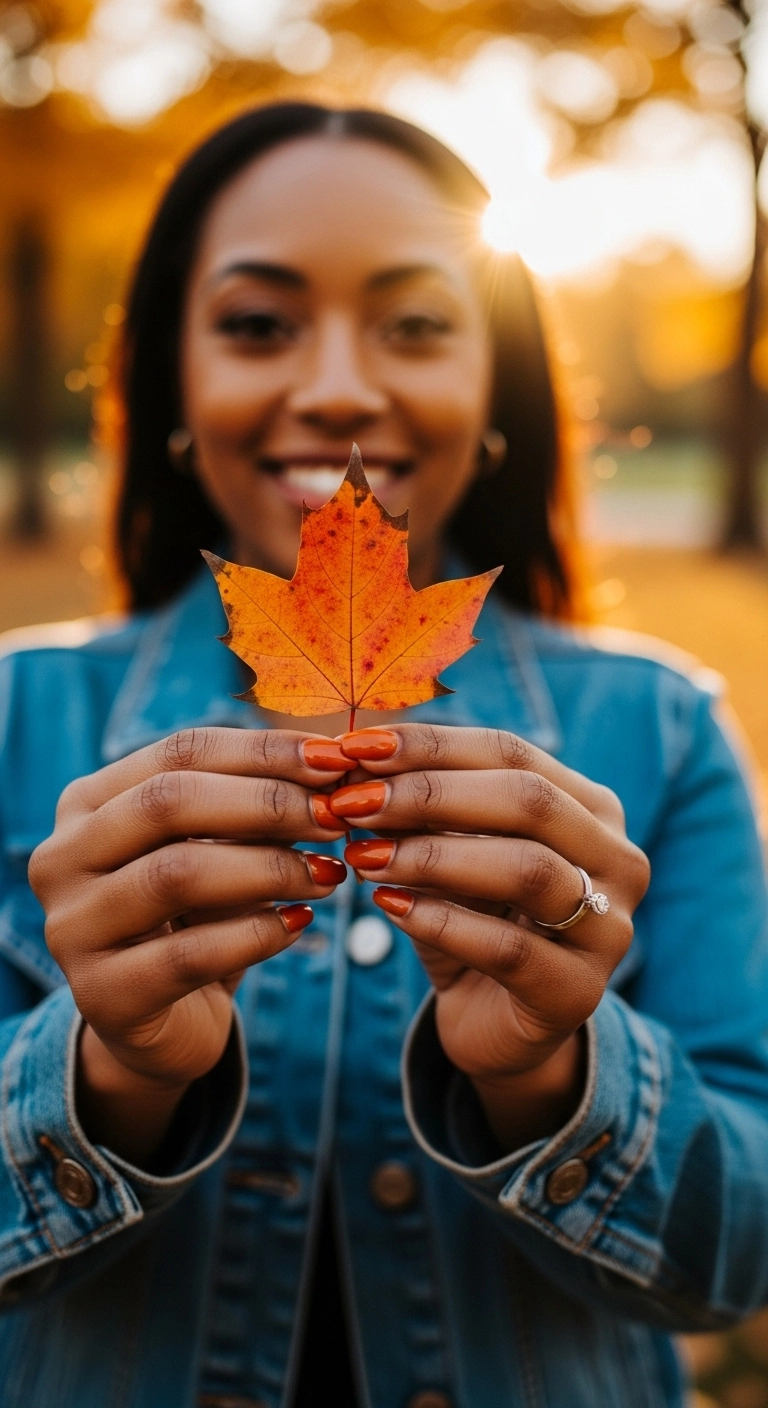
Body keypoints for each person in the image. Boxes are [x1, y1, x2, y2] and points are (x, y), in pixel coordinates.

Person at [0, 102, 766, 1408]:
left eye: (417, 322)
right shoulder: (20, 721)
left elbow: (734, 1265)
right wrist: (109, 1077)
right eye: (257, 323)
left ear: (498, 383)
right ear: (170, 384)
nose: (343, 387)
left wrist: (549, 1075)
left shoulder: (663, 727)